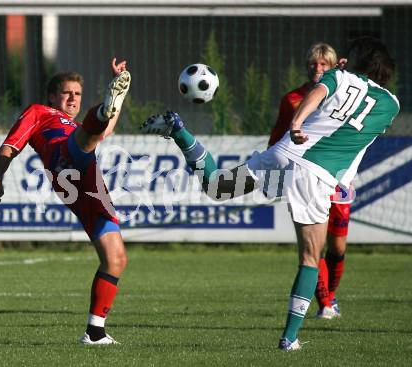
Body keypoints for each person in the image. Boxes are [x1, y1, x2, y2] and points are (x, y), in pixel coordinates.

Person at [141, 36, 399, 350]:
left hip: (285, 152)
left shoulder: (339, 76)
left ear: (357, 60)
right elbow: (356, 134)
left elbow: (319, 91)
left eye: (351, 53)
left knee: (217, 187)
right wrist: (341, 177)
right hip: (313, 173)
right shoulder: (390, 105)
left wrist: (298, 121)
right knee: (310, 258)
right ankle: (289, 339)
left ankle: (178, 130)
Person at [0, 58, 131, 345]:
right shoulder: (39, 112)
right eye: (67, 93)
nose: (73, 97)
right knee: (82, 142)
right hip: (64, 159)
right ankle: (104, 106)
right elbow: (10, 145)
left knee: (116, 259)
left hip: (89, 183)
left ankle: (95, 332)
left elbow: (105, 131)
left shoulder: (78, 124)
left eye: (77, 93)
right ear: (53, 96)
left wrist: (122, 89)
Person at [268, 42, 350, 320]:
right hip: (305, 177)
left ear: (334, 66)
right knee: (314, 246)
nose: (318, 69)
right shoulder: (292, 98)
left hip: (338, 178)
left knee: (337, 247)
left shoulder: (344, 97)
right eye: (314, 64)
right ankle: (325, 303)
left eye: (324, 64)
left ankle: (332, 297)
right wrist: (270, 170)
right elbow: (278, 136)